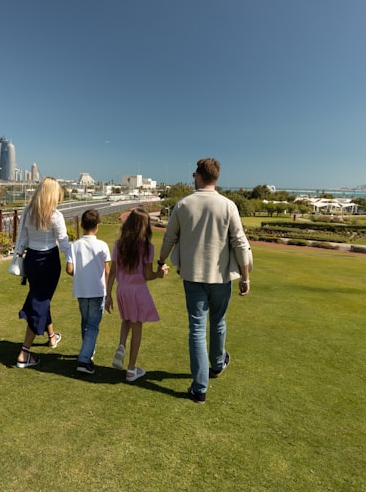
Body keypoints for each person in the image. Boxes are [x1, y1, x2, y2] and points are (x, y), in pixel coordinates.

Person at [158, 158, 252, 403]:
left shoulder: (183, 204)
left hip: (193, 276)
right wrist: (246, 275)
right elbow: (240, 243)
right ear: (216, 178)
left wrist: (160, 261)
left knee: (197, 329)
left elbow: (169, 238)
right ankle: (217, 364)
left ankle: (200, 387)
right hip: (221, 277)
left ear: (198, 176)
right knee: (218, 322)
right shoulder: (228, 205)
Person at [13, 177, 71, 369]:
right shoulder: (56, 216)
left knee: (40, 297)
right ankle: (25, 352)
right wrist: (72, 260)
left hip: (32, 260)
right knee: (39, 301)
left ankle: (52, 336)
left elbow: (22, 238)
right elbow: (63, 243)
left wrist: (18, 257)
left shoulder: (28, 212)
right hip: (49, 261)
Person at [106, 207, 163, 383]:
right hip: (138, 291)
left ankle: (121, 346)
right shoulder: (147, 248)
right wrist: (160, 274)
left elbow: (113, 272)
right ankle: (131, 369)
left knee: (126, 320)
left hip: (122, 289)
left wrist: (107, 295)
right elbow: (147, 275)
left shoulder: (118, 244)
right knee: (137, 326)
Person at [65, 209, 112, 375]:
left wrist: (81, 273)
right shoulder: (102, 245)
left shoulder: (74, 245)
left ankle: (87, 351)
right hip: (98, 290)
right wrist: (110, 293)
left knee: (86, 323)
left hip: (81, 290)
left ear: (81, 225)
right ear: (97, 226)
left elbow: (69, 269)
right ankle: (84, 359)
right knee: (93, 325)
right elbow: (107, 271)